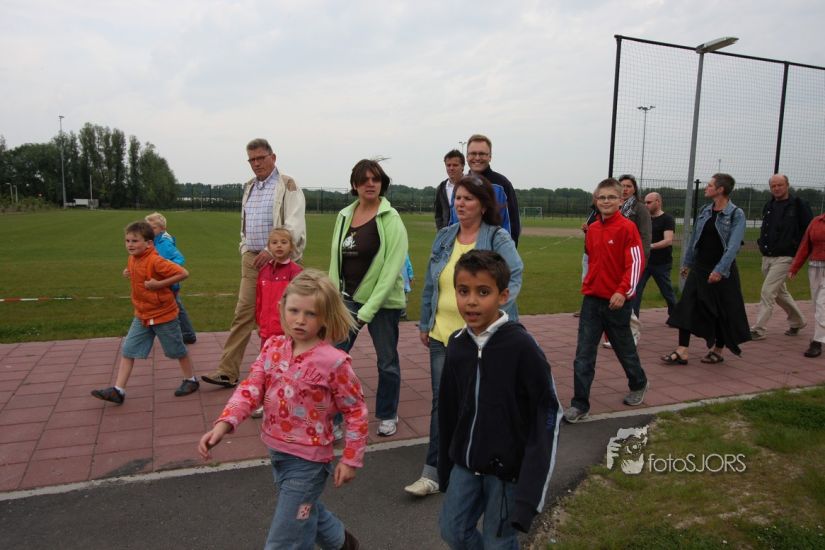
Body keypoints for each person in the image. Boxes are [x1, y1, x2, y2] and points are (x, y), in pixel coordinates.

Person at [198, 270, 365, 550]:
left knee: (285, 538)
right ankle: (342, 542)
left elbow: (356, 411)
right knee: (304, 509)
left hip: (309, 463)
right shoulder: (273, 347)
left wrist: (351, 458)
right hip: (277, 453)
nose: (300, 320)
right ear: (282, 307)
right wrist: (223, 424)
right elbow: (251, 388)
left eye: (310, 314)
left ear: (325, 317)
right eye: (294, 310)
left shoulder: (334, 362)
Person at [405, 174, 523, 498]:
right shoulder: (444, 236)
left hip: (481, 339)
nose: (461, 203)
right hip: (443, 334)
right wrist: (425, 322)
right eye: (458, 198)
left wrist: (490, 313)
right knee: (441, 404)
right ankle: (433, 472)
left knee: (482, 400)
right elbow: (432, 283)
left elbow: (514, 275)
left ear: (483, 205)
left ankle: (486, 464)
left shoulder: (497, 237)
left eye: (468, 198)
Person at [437, 250, 561, 547]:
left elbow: (548, 412)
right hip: (466, 464)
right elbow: (447, 409)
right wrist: (444, 466)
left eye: (483, 292)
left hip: (507, 474)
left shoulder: (521, 346)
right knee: (453, 531)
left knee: (498, 543)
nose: (471, 301)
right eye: (463, 291)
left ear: (503, 296)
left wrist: (530, 493)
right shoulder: (457, 345)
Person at [203, 138, 306, 389]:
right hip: (252, 259)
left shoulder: (287, 184)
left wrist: (273, 251)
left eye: (261, 158)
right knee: (243, 313)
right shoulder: (249, 186)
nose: (256, 163)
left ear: (273, 157)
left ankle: (293, 370)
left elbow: (294, 223)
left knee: (286, 316)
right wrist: (244, 246)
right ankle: (227, 371)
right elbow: (246, 222)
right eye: (252, 159)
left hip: (280, 261)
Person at [329, 159, 408, 437]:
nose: (370, 184)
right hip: (347, 299)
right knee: (334, 359)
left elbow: (391, 268)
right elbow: (335, 261)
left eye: (375, 179)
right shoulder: (344, 216)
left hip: (382, 303)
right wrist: (332, 298)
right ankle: (334, 420)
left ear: (382, 183)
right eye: (364, 180)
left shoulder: (391, 218)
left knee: (387, 362)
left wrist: (369, 308)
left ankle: (387, 414)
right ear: (355, 185)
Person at [564, 178, 648, 424]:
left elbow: (636, 263)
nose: (606, 201)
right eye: (602, 197)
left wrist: (623, 292)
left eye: (611, 197)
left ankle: (639, 383)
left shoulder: (627, 228)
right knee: (584, 354)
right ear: (596, 201)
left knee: (624, 349)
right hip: (592, 300)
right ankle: (580, 404)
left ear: (621, 200)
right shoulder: (592, 229)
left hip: (617, 302)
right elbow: (592, 259)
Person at [91, 221, 198, 404]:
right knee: (128, 349)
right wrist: (129, 272)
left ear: (149, 243)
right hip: (142, 315)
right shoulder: (133, 259)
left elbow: (183, 273)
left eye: (135, 241)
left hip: (163, 315)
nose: (130, 245)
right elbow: (140, 277)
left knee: (177, 350)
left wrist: (159, 284)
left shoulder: (156, 261)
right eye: (127, 241)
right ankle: (118, 390)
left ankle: (191, 380)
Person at [662, 174, 750, 365]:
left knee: (721, 311)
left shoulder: (736, 214)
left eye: (710, 185)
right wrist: (687, 263)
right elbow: (695, 238)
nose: (706, 188)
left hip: (722, 271)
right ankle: (682, 350)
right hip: (700, 268)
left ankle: (717, 349)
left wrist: (719, 270)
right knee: (686, 306)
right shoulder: (705, 210)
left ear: (720, 189)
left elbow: (733, 247)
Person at [750, 174, 813, 341]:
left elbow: (809, 229)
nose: (776, 188)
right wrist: (761, 243)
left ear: (787, 185)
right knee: (780, 293)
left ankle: (759, 329)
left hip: (786, 256)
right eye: (773, 186)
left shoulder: (799, 205)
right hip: (767, 255)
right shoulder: (769, 206)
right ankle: (798, 321)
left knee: (768, 291)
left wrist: (800, 252)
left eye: (780, 185)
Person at [603, 174, 651, 348]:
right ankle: (616, 334)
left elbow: (645, 235)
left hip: (632, 260)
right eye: (622, 186)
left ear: (634, 189)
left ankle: (632, 333)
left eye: (628, 186)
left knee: (628, 297)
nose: (625, 189)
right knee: (613, 298)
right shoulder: (615, 207)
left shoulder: (640, 209)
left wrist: (642, 259)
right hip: (613, 262)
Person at [145, 212, 197, 344]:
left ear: (162, 229)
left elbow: (179, 258)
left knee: (175, 309)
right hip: (158, 283)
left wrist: (167, 269)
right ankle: (184, 334)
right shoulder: (151, 242)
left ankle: (186, 334)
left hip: (168, 284)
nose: (150, 230)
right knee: (173, 308)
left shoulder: (165, 243)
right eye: (148, 227)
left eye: (153, 228)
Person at [466, 134, 521, 246]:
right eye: (473, 153)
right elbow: (452, 223)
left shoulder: (502, 185)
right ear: (467, 156)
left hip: (492, 253)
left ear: (490, 157)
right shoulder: (461, 186)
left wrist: (506, 253)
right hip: (463, 253)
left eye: (482, 154)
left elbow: (512, 225)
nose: (477, 158)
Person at [632, 193, 677, 317]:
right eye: (645, 202)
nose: (646, 205)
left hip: (661, 263)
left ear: (658, 202)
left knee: (666, 291)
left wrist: (649, 246)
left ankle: (676, 316)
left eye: (649, 202)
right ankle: (633, 318)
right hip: (644, 261)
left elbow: (668, 240)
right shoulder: (644, 219)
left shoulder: (667, 219)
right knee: (636, 290)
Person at [788, 213, 825, 357]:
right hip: (815, 268)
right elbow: (805, 245)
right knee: (817, 305)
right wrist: (795, 267)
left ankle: (816, 342)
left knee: (822, 305)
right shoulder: (816, 221)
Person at [434, 149, 465, 230]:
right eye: (448, 165)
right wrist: (441, 231)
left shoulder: (471, 186)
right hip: (447, 233)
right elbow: (438, 213)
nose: (451, 168)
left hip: (466, 232)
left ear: (462, 166)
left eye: (455, 165)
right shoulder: (441, 188)